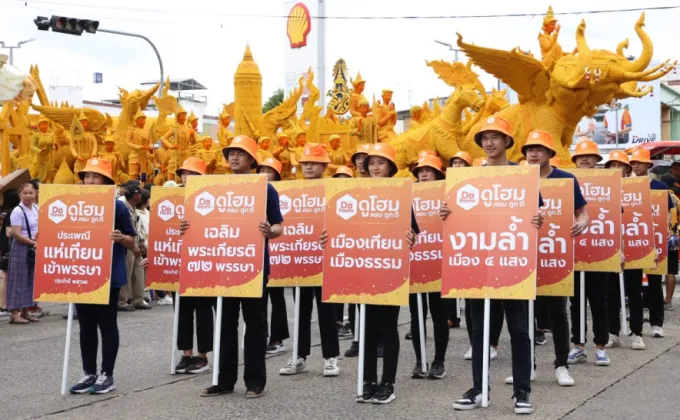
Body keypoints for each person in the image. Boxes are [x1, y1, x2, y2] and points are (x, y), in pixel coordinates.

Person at [444, 116, 543, 414]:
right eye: (485, 137)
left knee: (519, 330)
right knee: (480, 334)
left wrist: (539, 219)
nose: (489, 142)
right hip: (479, 265)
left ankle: (522, 392)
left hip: (513, 264)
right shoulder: (469, 177)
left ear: (507, 142)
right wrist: (446, 210)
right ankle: (478, 389)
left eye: (495, 137)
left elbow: (537, 211)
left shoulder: (524, 175)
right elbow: (458, 213)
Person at [320, 143, 418, 404]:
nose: (374, 167)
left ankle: (388, 382)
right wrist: (328, 239)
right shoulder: (354, 193)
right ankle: (368, 379)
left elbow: (414, 232)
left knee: (387, 328)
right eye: (371, 162)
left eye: (380, 162)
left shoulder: (400, 195)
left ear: (390, 167)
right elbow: (340, 228)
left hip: (389, 271)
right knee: (366, 328)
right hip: (361, 269)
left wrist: (410, 238)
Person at [192, 135, 283, 398]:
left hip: (252, 267)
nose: (233, 157)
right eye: (231, 153)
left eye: (240, 153)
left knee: (254, 325)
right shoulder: (216, 186)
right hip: (223, 265)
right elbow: (200, 219)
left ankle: (255, 382)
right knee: (225, 324)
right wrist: (188, 227)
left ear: (252, 159)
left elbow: (279, 225)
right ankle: (223, 380)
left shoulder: (265, 189)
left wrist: (270, 231)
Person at [523, 130, 589, 387]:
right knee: (524, 315)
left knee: (558, 312)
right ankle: (526, 366)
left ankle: (561, 364)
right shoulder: (517, 179)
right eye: (529, 149)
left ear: (550, 153)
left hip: (555, 254)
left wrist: (581, 223)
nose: (533, 153)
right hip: (522, 255)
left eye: (539, 149)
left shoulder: (567, 179)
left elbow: (582, 213)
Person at [69, 158, 137, 394]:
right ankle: (89, 373)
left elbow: (131, 240)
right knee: (85, 325)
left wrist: (119, 238)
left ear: (106, 180)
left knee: (106, 325)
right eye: (86, 176)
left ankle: (107, 374)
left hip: (107, 274)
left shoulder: (116, 206)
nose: (89, 180)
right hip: (81, 273)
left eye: (95, 176)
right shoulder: (74, 203)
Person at [279, 143, 341, 377]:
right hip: (300, 258)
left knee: (327, 312)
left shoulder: (332, 189)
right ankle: (299, 356)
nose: (308, 167)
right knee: (301, 311)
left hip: (325, 260)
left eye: (313, 163)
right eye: (305, 164)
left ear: (324, 165)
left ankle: (331, 357)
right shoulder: (293, 191)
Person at [568, 139, 611, 366]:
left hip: (600, 250)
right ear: (574, 161)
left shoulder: (609, 183)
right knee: (576, 303)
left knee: (599, 301)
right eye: (580, 156)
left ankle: (601, 347)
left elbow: (617, 216)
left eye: (589, 156)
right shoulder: (566, 182)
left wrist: (619, 249)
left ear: (597, 160)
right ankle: (578, 345)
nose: (585, 159)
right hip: (573, 251)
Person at [408, 155, 450, 380]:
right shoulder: (406, 193)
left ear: (438, 174)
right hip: (415, 261)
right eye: (420, 170)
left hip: (439, 261)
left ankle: (439, 360)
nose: (423, 174)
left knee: (439, 315)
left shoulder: (447, 194)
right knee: (416, 315)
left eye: (429, 170)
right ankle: (419, 359)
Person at [173, 157, 216, 374]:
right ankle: (186, 354)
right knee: (182, 310)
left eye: (191, 173)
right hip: (178, 264)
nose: (186, 177)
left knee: (203, 310)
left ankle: (203, 356)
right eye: (183, 173)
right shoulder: (171, 198)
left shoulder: (212, 198)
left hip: (202, 263)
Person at [604, 151, 646, 350]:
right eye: (611, 165)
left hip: (634, 245)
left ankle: (637, 333)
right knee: (611, 293)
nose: (615, 169)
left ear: (627, 169)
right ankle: (613, 333)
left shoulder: (638, 187)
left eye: (619, 165)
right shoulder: (602, 189)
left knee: (634, 291)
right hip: (610, 248)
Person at [630, 148, 673, 339]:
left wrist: (665, 229)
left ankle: (657, 323)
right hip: (633, 240)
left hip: (655, 240)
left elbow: (669, 210)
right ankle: (635, 325)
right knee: (633, 285)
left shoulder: (660, 187)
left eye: (639, 162)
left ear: (648, 165)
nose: (636, 165)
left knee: (655, 282)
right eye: (633, 162)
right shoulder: (626, 185)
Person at [256, 157, 290, 354]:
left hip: (286, 251)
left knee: (277, 297)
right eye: (262, 169)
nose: (265, 174)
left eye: (270, 171)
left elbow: (279, 223)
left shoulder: (274, 192)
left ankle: (277, 337)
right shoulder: (252, 191)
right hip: (262, 251)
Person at [343, 143, 373, 358]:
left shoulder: (387, 187)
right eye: (358, 157)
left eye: (366, 157)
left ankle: (377, 340)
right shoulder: (348, 188)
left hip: (378, 248)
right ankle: (356, 338)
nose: (361, 161)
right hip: (354, 248)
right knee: (354, 297)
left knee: (376, 299)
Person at [6, 183, 38, 324]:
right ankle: (14, 313)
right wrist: (32, 242)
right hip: (21, 247)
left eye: (31, 193)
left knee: (30, 279)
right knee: (18, 280)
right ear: (20, 195)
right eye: (25, 193)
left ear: (35, 194)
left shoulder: (36, 208)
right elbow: (16, 234)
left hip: (33, 247)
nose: (28, 195)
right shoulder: (17, 211)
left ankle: (26, 311)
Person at [118, 181, 150, 311]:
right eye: (139, 194)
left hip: (135, 243)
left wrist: (141, 241)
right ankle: (122, 301)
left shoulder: (133, 206)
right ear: (134, 195)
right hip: (126, 244)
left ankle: (138, 299)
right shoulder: (122, 205)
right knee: (126, 272)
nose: (141, 197)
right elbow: (126, 229)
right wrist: (134, 246)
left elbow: (136, 226)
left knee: (139, 270)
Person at [0, 189, 20, 316]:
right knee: (6, 276)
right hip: (8, 247)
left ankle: (3, 304)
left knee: (4, 275)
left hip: (2, 245)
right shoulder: (12, 212)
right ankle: (4, 304)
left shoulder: (3, 212)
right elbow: (9, 232)